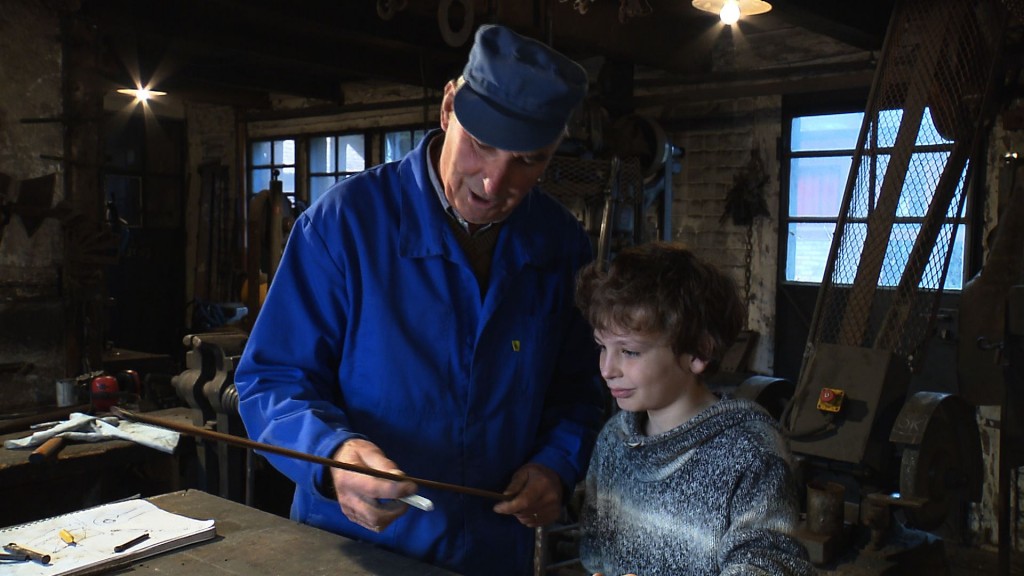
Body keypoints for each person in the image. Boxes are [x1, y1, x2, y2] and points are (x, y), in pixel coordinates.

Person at [233, 24, 606, 576]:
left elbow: (584, 390)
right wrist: (333, 457)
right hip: (353, 548)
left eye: (528, 161)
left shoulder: (560, 247)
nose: (493, 182)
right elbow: (271, 381)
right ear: (449, 106)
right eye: (482, 144)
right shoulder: (343, 226)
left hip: (493, 550)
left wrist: (556, 464)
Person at [574, 242, 816, 576]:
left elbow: (767, 565)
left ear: (698, 352)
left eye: (629, 352)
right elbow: (595, 550)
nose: (607, 368)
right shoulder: (614, 441)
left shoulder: (750, 453)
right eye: (603, 347)